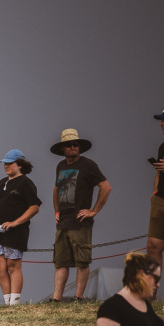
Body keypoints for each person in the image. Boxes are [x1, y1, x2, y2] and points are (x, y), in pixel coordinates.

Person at [50, 128, 111, 301]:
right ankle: (56, 299)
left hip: (80, 221)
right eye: (69, 145)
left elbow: (106, 187)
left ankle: (78, 297)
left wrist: (93, 211)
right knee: (60, 261)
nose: (73, 147)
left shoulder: (88, 164)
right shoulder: (60, 166)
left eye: (75, 144)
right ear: (62, 148)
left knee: (82, 261)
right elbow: (56, 189)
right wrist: (56, 210)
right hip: (63, 221)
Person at [0, 150, 41, 305]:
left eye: (10, 163)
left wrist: (15, 223)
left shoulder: (26, 183)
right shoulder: (2, 182)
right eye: (5, 163)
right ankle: (7, 301)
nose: (6, 166)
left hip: (16, 231)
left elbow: (34, 207)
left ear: (20, 165)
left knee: (13, 265)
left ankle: (14, 303)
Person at [145, 106, 164, 270]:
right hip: (160, 201)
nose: (160, 124)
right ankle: (150, 295)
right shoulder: (163, 146)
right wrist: (155, 194)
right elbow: (159, 173)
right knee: (152, 246)